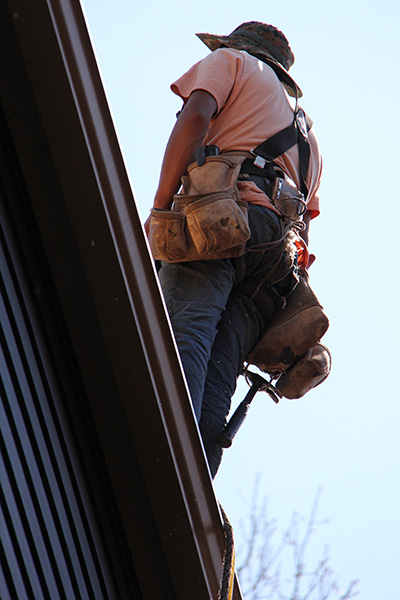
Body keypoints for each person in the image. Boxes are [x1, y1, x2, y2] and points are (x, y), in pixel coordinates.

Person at [147, 22, 323, 478]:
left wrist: (161, 208)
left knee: (184, 333)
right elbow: (305, 229)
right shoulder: (309, 137)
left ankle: (161, 455)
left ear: (240, 47)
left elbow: (194, 119)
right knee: (218, 378)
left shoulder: (232, 62)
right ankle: (194, 489)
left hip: (226, 222)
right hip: (276, 263)